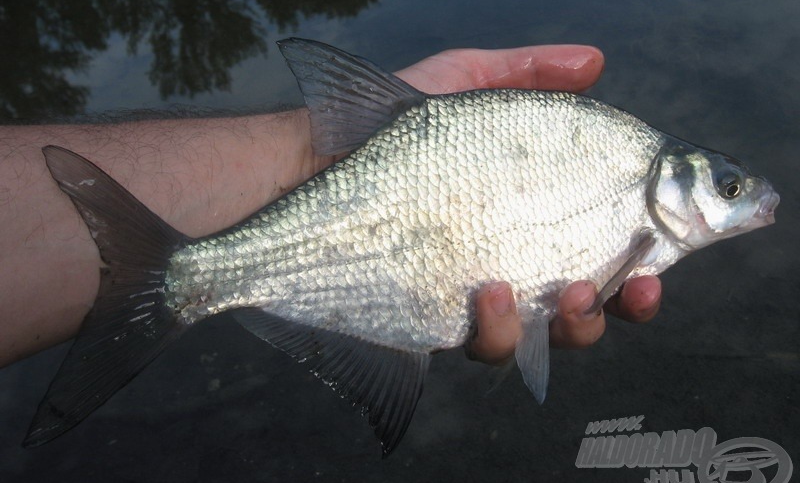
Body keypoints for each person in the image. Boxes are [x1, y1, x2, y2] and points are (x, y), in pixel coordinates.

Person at [0, 43, 660, 369]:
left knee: (493, 326)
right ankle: (183, 280)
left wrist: (301, 151)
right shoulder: (633, 155)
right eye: (727, 190)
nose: (749, 204)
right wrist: (307, 145)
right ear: (671, 182)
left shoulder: (629, 157)